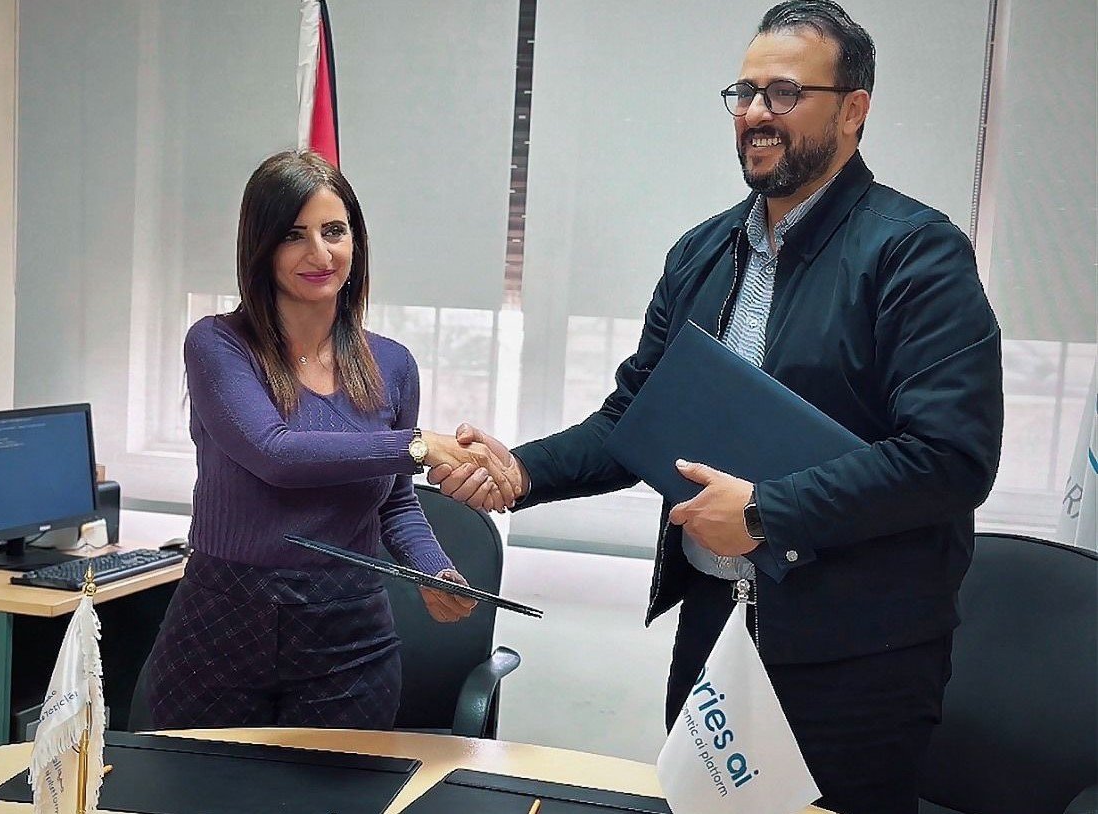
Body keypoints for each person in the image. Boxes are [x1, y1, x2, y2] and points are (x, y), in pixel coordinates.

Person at [430, 3, 1003, 812]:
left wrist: (766, 512)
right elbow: (635, 420)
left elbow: (950, 458)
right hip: (714, 628)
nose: (757, 113)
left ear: (853, 110)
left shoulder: (916, 251)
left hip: (857, 659)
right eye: (745, 92)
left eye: (785, 92)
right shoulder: (701, 251)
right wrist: (520, 471)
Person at [144, 150, 520, 731]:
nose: (319, 254)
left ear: (355, 242)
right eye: (293, 235)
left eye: (334, 232)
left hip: (348, 639)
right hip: (220, 629)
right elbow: (275, 454)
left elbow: (394, 500)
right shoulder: (218, 345)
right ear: (260, 247)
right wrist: (418, 445)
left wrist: (434, 571)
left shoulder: (393, 364)